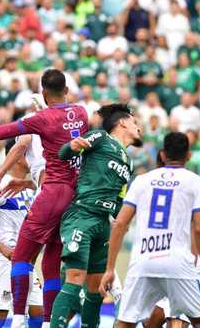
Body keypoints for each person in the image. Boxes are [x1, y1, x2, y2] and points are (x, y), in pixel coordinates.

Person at [0, 69, 88, 325]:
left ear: (44, 93)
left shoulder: (41, 119)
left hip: (52, 192)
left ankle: (19, 319)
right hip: (73, 198)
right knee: (52, 264)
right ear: (67, 90)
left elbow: (0, 133)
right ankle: (47, 322)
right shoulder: (81, 112)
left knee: (21, 258)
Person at [99, 132, 200, 327]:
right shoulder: (196, 182)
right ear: (188, 155)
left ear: (162, 155)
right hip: (178, 263)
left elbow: (119, 224)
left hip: (143, 260)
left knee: (125, 322)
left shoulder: (142, 180)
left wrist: (110, 268)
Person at [51, 104, 143, 327]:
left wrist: (121, 218)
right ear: (122, 122)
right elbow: (65, 153)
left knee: (96, 289)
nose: (139, 127)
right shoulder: (101, 137)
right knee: (74, 278)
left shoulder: (129, 162)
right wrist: (71, 146)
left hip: (104, 224)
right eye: (135, 123)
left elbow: (119, 198)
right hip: (82, 214)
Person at [0, 138, 44, 328]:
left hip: (24, 259)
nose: (35, 157)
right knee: (0, 312)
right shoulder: (0, 184)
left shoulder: (30, 187)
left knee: (39, 311)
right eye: (30, 153)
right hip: (2, 258)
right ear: (19, 156)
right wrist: (2, 247)